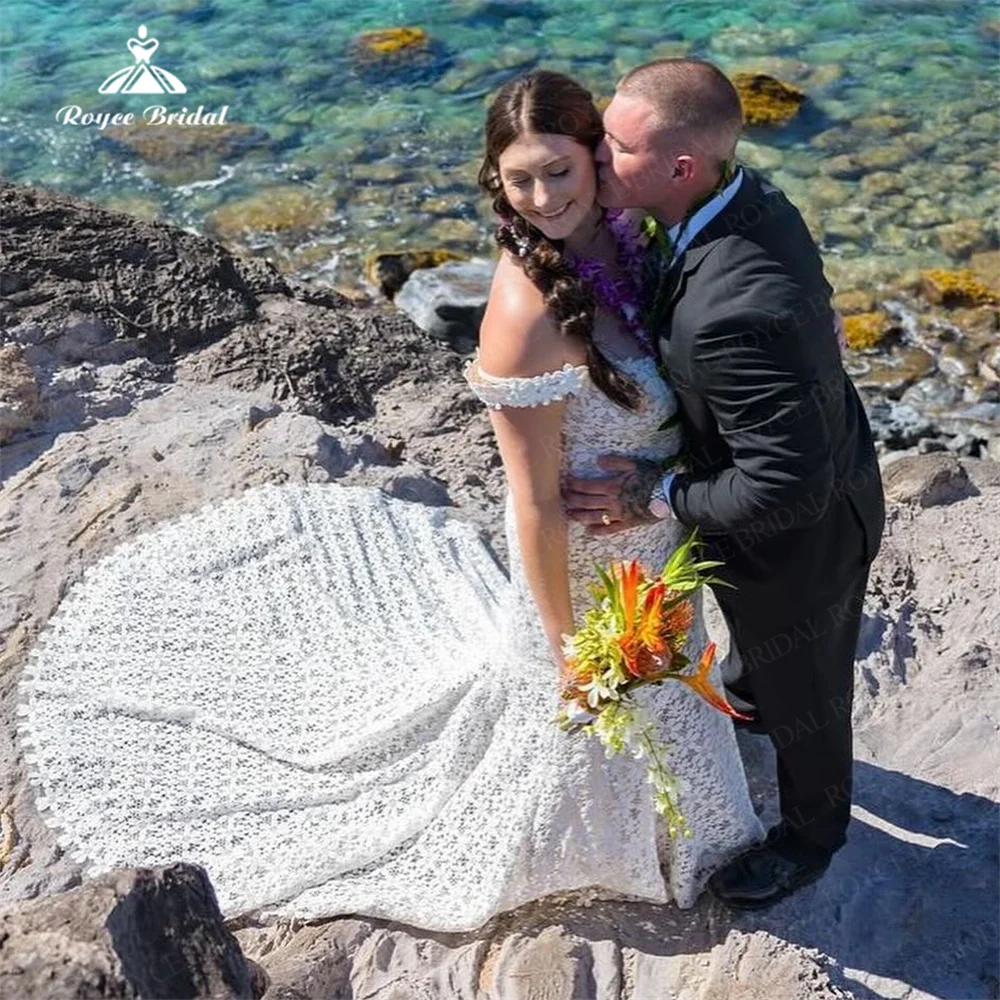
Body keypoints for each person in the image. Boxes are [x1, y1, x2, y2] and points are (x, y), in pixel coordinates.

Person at [15, 69, 762, 935]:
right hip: (589, 579)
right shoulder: (524, 320)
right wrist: (566, 656)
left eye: (559, 170)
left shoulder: (627, 237)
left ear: (598, 156)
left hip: (659, 549)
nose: (542, 196)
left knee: (683, 729)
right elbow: (530, 505)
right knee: (601, 739)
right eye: (518, 179)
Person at [563, 58, 886, 909]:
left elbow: (780, 487)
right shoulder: (743, 198)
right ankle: (749, 703)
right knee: (758, 672)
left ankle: (813, 837)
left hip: (800, 539)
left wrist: (653, 496)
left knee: (808, 688)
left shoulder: (735, 307)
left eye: (616, 147)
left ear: (680, 168)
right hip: (812, 460)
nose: (597, 155)